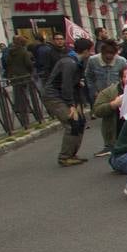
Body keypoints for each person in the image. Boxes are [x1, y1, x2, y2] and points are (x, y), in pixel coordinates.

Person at [42, 36, 93, 167]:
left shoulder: (76, 62)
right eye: (90, 51)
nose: (91, 53)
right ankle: (65, 157)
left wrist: (78, 104)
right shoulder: (69, 63)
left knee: (80, 122)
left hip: (63, 96)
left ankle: (72, 154)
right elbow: (66, 86)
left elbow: (74, 84)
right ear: (86, 51)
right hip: (54, 96)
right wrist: (71, 106)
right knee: (72, 122)